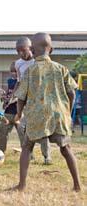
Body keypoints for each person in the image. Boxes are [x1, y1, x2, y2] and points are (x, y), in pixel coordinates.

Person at [13, 32, 81, 192]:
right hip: (59, 116)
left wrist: (19, 113)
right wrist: (67, 112)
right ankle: (77, 185)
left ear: (33, 50)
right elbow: (72, 92)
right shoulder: (61, 68)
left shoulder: (30, 71)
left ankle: (22, 185)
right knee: (66, 149)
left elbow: (21, 97)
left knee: (27, 147)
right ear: (51, 49)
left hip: (37, 116)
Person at [15, 37, 51, 164]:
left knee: (42, 129)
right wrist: (14, 96)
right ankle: (28, 154)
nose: (21, 53)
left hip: (41, 102)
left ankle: (47, 157)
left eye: (23, 50)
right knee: (21, 127)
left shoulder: (38, 61)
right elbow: (19, 82)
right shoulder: (18, 63)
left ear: (30, 49)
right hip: (27, 101)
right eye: (18, 51)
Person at [0, 62, 25, 153]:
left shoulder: (23, 82)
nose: (13, 73)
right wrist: (3, 96)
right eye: (11, 71)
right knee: (2, 132)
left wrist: (11, 100)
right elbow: (8, 94)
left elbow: (21, 97)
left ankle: (28, 154)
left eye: (15, 71)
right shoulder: (10, 81)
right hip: (8, 112)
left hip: (19, 112)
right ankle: (1, 151)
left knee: (23, 134)